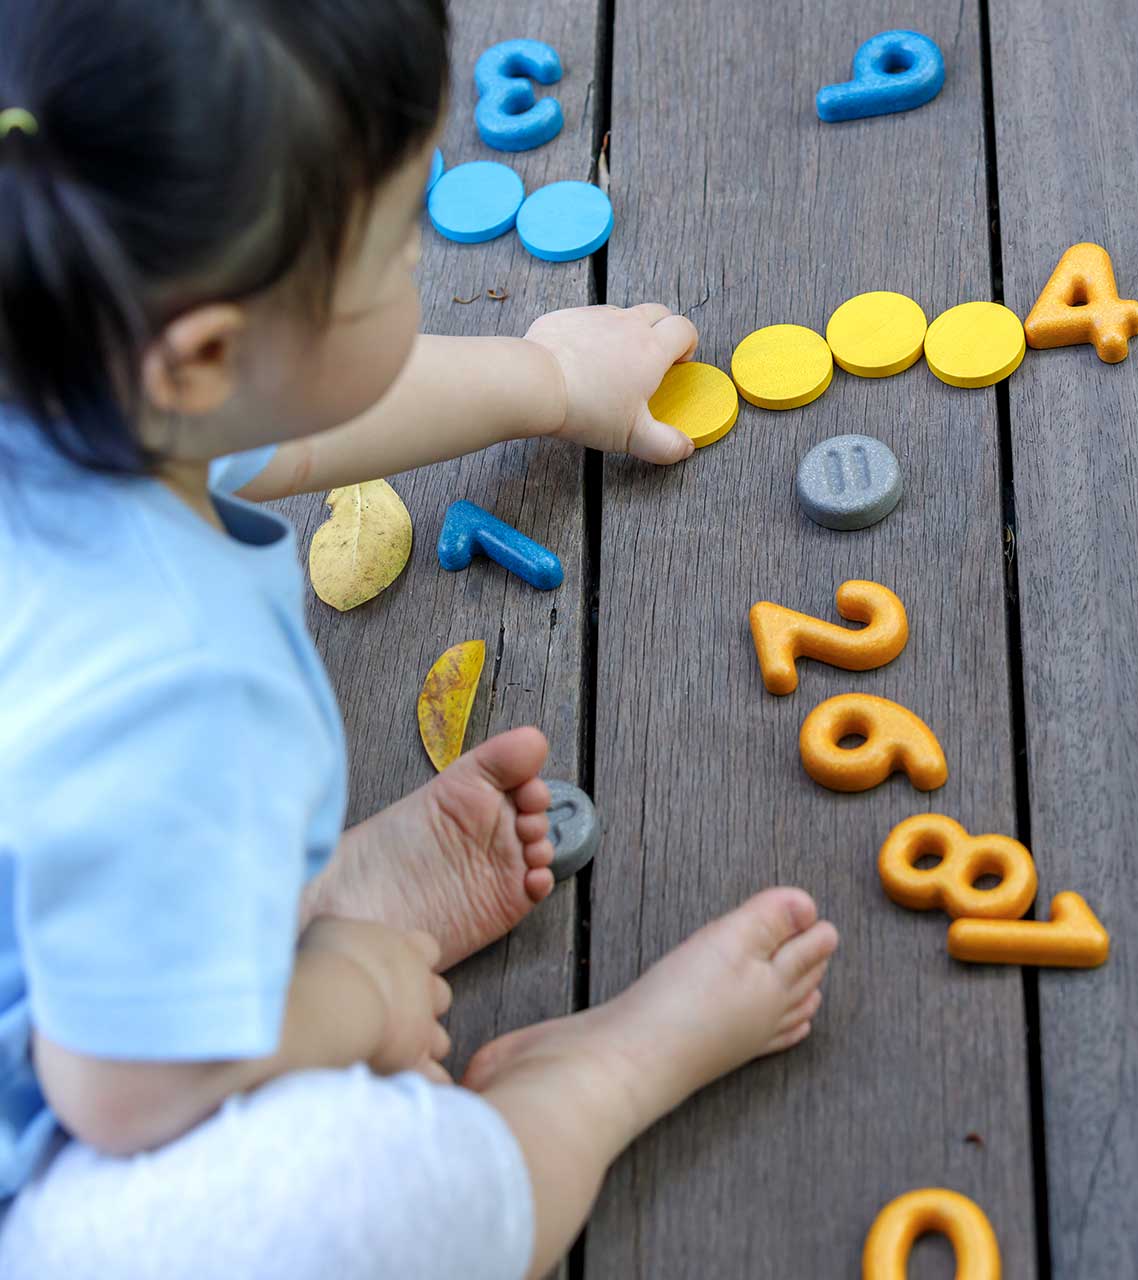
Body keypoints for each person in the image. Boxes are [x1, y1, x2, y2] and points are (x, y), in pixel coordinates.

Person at [0, 3, 839, 1277]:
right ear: (201, 352)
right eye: (395, 252)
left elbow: (281, 421)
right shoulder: (172, 677)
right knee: (349, 1206)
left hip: (87, 915)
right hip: (85, 1090)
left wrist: (549, 379)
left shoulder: (65, 348)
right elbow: (116, 1087)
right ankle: (579, 1084)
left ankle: (284, 914)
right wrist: (351, 996)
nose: (410, 273)